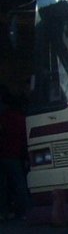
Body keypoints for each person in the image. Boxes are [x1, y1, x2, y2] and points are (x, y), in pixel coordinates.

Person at [0, 87, 30, 221]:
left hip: (4, 154)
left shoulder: (4, 118)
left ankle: (3, 212)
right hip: (15, 155)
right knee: (20, 184)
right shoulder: (21, 118)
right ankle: (24, 211)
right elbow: (24, 138)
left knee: (3, 186)